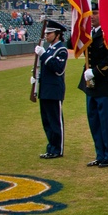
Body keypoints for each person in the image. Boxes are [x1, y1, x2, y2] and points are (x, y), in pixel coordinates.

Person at [79, 3, 108, 167]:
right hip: (92, 86)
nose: (92, 16)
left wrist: (95, 72)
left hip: (106, 83)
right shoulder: (88, 34)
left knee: (107, 122)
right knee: (94, 122)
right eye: (91, 14)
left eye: (95, 13)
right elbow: (72, 44)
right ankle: (100, 154)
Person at [33, 20, 69, 159]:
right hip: (45, 89)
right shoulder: (49, 49)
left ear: (58, 35)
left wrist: (44, 55)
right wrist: (37, 78)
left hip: (54, 90)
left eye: (50, 33)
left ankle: (57, 149)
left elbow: (58, 69)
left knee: (55, 121)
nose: (47, 35)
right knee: (46, 121)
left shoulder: (61, 50)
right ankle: (51, 147)